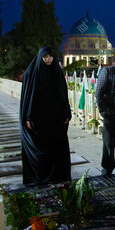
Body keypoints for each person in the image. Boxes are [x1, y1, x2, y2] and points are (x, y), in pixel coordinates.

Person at [19, 46, 72, 185]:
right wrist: (28, 117)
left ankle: (57, 176)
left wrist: (67, 113)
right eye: (45, 56)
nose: (48, 59)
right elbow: (28, 97)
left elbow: (63, 95)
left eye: (50, 56)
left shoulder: (57, 73)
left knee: (57, 148)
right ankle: (39, 178)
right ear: (40, 57)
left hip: (55, 119)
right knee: (40, 149)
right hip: (39, 120)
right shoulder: (32, 73)